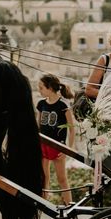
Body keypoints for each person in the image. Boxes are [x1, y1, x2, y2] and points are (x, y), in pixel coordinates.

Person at [37, 73, 76, 204]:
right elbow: (38, 127)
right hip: (43, 144)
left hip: (58, 146)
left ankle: (70, 205)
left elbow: (72, 129)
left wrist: (68, 150)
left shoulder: (63, 105)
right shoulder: (41, 103)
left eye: (41, 87)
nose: (39, 90)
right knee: (44, 177)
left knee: (61, 178)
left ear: (50, 88)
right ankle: (44, 204)